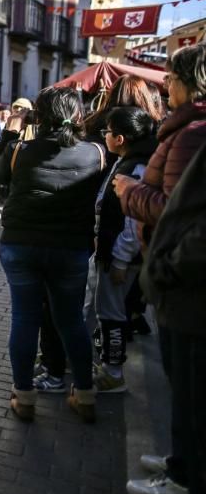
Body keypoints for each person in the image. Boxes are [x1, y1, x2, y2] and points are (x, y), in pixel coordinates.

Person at [114, 42, 206, 494]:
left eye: (170, 77)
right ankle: (180, 463)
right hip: (176, 281)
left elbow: (174, 214)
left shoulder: (192, 135)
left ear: (191, 83)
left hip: (185, 287)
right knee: (181, 384)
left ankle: (185, 478)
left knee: (189, 387)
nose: (163, 85)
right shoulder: (185, 130)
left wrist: (129, 191)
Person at [0, 87, 105, 423]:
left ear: (39, 117)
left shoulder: (20, 150)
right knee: (70, 321)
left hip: (21, 245)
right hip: (70, 249)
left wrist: (11, 129)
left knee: (25, 318)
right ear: (78, 116)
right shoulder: (96, 153)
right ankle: (85, 395)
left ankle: (24, 397)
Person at [138, 143, 206, 494]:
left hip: (190, 295)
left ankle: (185, 477)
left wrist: (166, 268)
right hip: (182, 294)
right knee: (183, 393)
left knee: (193, 403)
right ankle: (181, 465)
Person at [89, 107, 157, 393]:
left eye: (107, 131)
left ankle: (113, 372)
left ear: (120, 137)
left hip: (120, 257)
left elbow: (133, 221)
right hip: (110, 252)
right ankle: (108, 366)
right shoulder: (124, 161)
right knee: (105, 309)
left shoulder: (136, 168)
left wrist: (119, 259)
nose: (104, 135)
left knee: (112, 312)